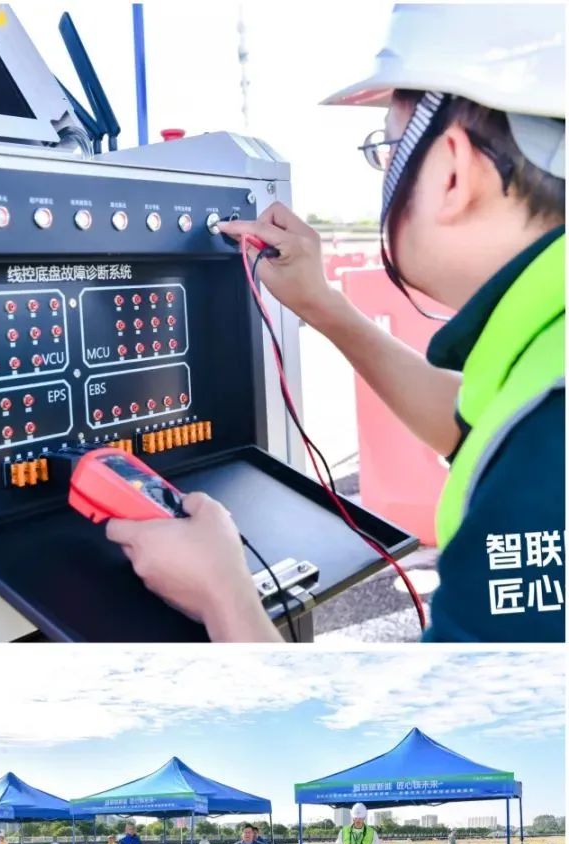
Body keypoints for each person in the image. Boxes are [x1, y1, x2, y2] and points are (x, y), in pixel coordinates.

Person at [103, 5, 564, 644]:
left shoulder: (547, 452)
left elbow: (454, 718)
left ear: (453, 171)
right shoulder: (546, 363)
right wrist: (319, 303)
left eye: (387, 150)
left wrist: (223, 596)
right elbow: (471, 425)